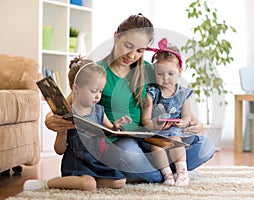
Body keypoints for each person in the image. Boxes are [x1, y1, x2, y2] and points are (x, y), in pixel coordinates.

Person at [44, 14, 215, 186]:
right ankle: (159, 172)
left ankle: (150, 171)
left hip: (151, 139)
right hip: (119, 144)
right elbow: (65, 106)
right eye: (128, 46)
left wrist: (195, 123)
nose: (132, 55)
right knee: (138, 161)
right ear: (116, 36)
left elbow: (173, 99)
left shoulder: (150, 71)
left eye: (140, 50)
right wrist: (50, 121)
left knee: (206, 146)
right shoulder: (97, 72)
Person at [24, 57, 132, 191]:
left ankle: (84, 182)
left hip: (97, 162)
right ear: (75, 89)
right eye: (93, 91)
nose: (98, 96)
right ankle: (48, 183)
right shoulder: (68, 115)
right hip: (77, 164)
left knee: (119, 181)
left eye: (100, 91)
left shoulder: (99, 111)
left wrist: (117, 125)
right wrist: (62, 131)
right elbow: (59, 150)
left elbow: (110, 132)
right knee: (88, 184)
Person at [142, 38, 193, 186]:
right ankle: (167, 175)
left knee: (176, 143)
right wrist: (154, 125)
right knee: (156, 147)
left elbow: (187, 115)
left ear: (180, 72)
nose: (165, 79)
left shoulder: (183, 93)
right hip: (156, 133)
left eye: (170, 74)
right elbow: (146, 120)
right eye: (160, 74)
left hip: (174, 131)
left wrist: (182, 122)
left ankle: (182, 173)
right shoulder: (151, 92)